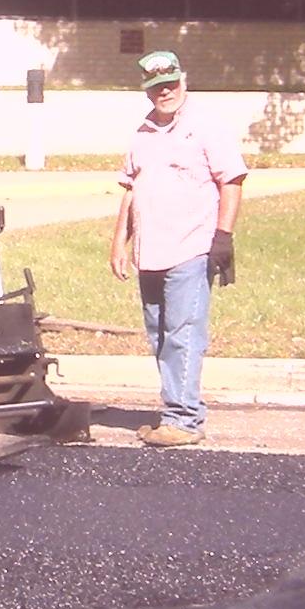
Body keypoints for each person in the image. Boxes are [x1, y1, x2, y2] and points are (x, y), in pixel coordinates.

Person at [109, 49, 244, 449]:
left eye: (170, 84)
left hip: (191, 246)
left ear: (183, 80)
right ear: (147, 92)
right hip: (150, 252)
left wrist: (224, 236)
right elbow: (131, 189)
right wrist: (120, 241)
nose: (164, 93)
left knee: (183, 333)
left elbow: (232, 181)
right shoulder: (143, 132)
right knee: (159, 335)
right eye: (156, 88)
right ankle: (173, 411)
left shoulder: (206, 126)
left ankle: (184, 420)